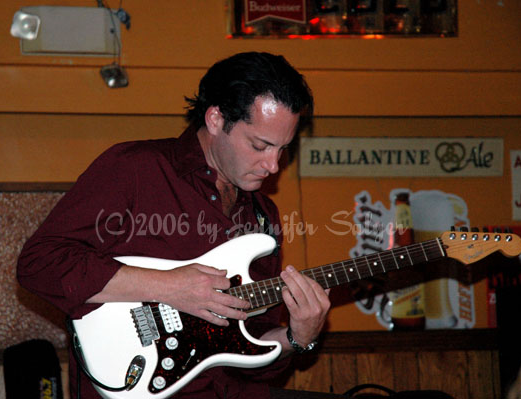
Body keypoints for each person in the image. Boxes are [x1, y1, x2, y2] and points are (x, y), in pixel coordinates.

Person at [17, 52, 334, 399]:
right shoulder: (136, 170)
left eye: (283, 149)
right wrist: (168, 287)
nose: (273, 165)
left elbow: (252, 348)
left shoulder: (263, 216)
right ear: (215, 119)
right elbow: (39, 263)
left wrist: (297, 338)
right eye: (260, 145)